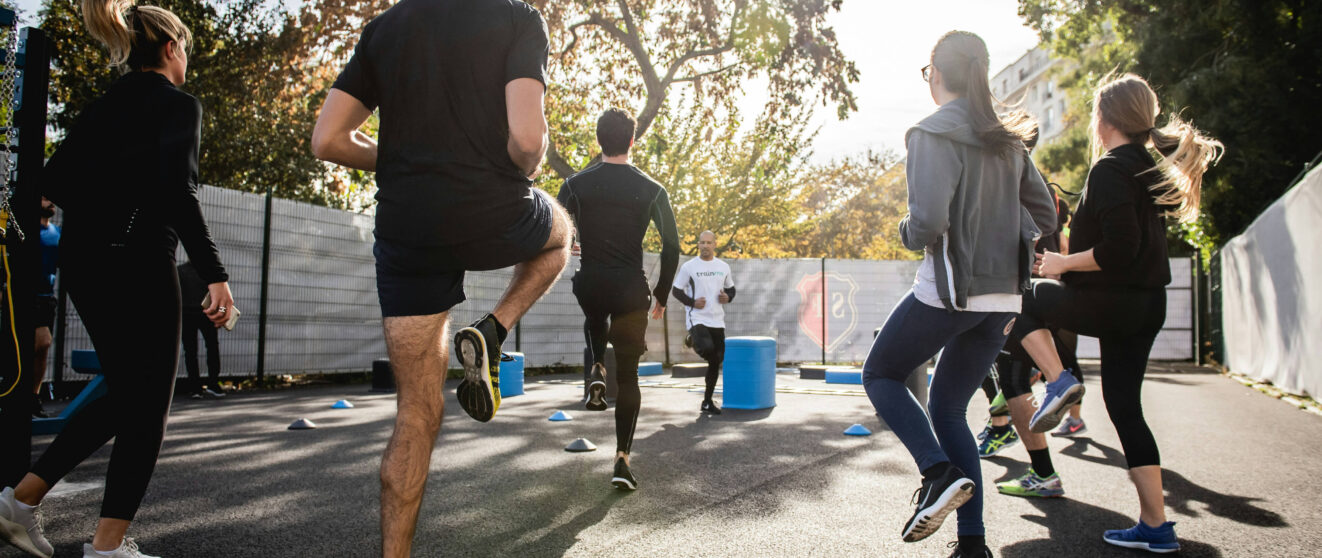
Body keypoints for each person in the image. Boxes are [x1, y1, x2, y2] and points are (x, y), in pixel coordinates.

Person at [310, 1, 570, 555]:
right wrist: (516, 171)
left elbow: (328, 140)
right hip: (490, 208)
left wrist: (408, 161)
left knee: (414, 414)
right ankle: (494, 329)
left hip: (408, 229)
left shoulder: (385, 29)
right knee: (562, 234)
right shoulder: (516, 18)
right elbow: (527, 141)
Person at [0, 0, 235, 556]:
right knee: (147, 405)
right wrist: (215, 276)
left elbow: (52, 180)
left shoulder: (105, 105)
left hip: (87, 265)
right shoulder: (178, 104)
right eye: (187, 54)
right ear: (173, 49)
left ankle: (21, 503)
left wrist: (112, 192)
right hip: (139, 262)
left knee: (132, 394)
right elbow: (179, 194)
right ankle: (105, 548)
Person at [859, 31, 1055, 558]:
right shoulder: (1008, 139)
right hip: (1004, 301)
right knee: (948, 410)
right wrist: (1014, 243)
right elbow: (1047, 214)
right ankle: (973, 546)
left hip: (949, 294)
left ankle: (937, 471)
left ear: (937, 75)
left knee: (879, 374)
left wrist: (905, 230)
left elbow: (926, 223)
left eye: (927, 73)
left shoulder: (930, 132)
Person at [1010, 73, 1222, 554]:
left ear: (1104, 118)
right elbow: (1127, 244)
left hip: (1115, 302)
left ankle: (1060, 380)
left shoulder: (1109, 168)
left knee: (1020, 299)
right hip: (1146, 304)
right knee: (1126, 408)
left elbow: (1120, 249)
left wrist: (1064, 263)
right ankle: (1155, 526)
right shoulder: (1146, 167)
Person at [558, 108, 680, 491]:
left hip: (591, 282)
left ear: (598, 140)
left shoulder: (575, 184)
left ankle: (596, 365)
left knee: (595, 312)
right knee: (628, 376)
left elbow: (556, 228)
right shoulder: (653, 189)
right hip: (631, 289)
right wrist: (661, 294)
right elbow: (673, 246)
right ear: (632, 140)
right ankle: (622, 460)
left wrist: (572, 242)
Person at [670, 231, 735, 415]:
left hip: (717, 320)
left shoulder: (723, 266)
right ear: (698, 245)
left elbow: (731, 289)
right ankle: (693, 338)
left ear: (715, 244)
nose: (705, 245)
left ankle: (707, 401)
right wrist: (692, 302)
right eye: (702, 243)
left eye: (708, 242)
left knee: (717, 359)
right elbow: (676, 291)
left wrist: (727, 297)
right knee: (707, 350)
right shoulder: (689, 267)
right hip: (697, 318)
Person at [31, 197, 60, 418]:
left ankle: (33, 395)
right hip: (24, 296)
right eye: (45, 198)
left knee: (43, 348)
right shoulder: (23, 231)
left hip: (46, 297)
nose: (51, 202)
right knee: (41, 342)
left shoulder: (56, 233)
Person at [178, 261, 224, 399]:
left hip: (189, 315)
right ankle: (212, 384)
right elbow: (221, 297)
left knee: (191, 352)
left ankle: (196, 387)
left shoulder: (181, 271)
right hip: (205, 315)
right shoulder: (210, 271)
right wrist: (221, 313)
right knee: (211, 348)